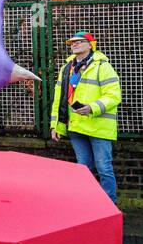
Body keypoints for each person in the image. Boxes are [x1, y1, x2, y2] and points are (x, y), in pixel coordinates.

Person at [50, 30, 122, 202]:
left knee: (104, 168)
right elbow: (59, 99)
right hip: (76, 126)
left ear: (90, 45)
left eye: (79, 41)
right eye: (72, 42)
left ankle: (109, 205)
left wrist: (92, 108)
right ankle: (88, 205)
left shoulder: (103, 67)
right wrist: (55, 125)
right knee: (83, 168)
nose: (74, 44)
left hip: (98, 127)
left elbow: (114, 95)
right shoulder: (66, 67)